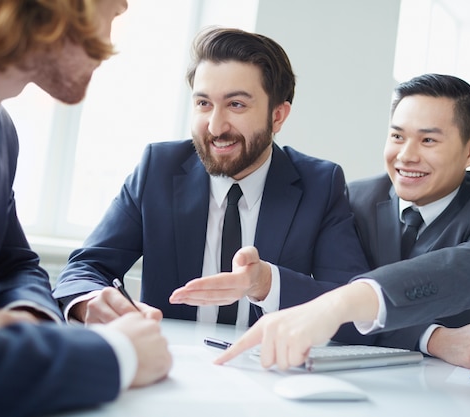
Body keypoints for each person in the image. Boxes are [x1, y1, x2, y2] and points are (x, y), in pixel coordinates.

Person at [51, 26, 371, 342]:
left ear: (277, 116)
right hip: (169, 366)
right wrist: (91, 303)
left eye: (236, 105)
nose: (216, 126)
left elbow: (355, 310)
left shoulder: (320, 184)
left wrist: (266, 285)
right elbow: (84, 270)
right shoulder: (157, 169)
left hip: (270, 372)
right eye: (203, 103)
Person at [215, 73, 470, 371]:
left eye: (428, 141)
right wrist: (432, 337)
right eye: (397, 136)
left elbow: (467, 270)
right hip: (376, 373)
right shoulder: (354, 199)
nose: (406, 156)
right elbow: (329, 293)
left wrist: (344, 302)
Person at [0, 1, 171, 416]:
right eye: (113, 14)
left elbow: (14, 263)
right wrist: (113, 355)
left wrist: (24, 312)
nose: (109, 44)